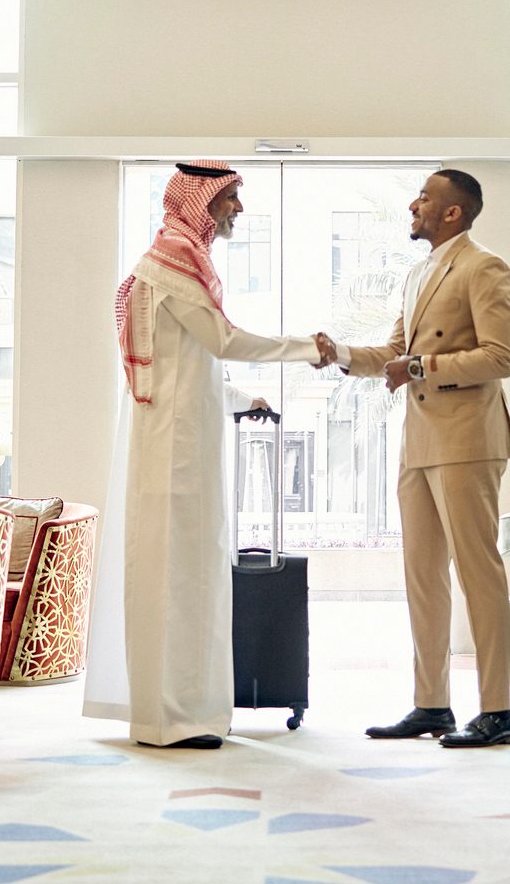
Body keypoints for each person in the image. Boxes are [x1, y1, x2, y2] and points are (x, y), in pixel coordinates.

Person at [83, 163, 328, 750]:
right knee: (178, 579)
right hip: (175, 451)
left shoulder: (174, 261)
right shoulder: (172, 262)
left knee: (189, 576)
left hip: (181, 440)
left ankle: (186, 711)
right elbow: (223, 340)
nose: (237, 209)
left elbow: (187, 361)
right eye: (230, 198)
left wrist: (243, 399)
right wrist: (306, 348)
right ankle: (172, 718)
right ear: (201, 201)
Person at [321, 169, 510, 748]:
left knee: (478, 573)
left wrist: (419, 368)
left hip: (467, 441)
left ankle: (497, 712)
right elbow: (394, 351)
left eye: (426, 198)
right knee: (422, 576)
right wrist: (340, 353)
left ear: (453, 212)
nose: (414, 204)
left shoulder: (485, 268)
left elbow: (499, 357)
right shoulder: (418, 273)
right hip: (419, 442)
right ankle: (432, 704)